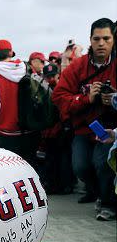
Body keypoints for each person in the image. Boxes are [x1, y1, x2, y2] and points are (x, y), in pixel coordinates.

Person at [52, 18, 116, 221]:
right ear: (90, 39)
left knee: (103, 163)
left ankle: (107, 203)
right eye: (97, 38)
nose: (101, 43)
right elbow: (59, 97)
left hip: (110, 127)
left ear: (113, 40)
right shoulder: (77, 67)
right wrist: (85, 98)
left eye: (106, 38)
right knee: (80, 167)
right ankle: (98, 193)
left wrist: (114, 98)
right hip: (84, 128)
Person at [0, 39, 31, 158]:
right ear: (10, 53)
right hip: (31, 128)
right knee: (33, 168)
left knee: (12, 173)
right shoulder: (26, 68)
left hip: (8, 133)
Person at [40, 63, 73, 195]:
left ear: (58, 75)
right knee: (53, 160)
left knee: (63, 159)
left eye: (53, 76)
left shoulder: (63, 88)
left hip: (62, 129)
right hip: (49, 131)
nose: (50, 79)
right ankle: (55, 185)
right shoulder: (43, 90)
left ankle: (65, 185)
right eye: (48, 77)